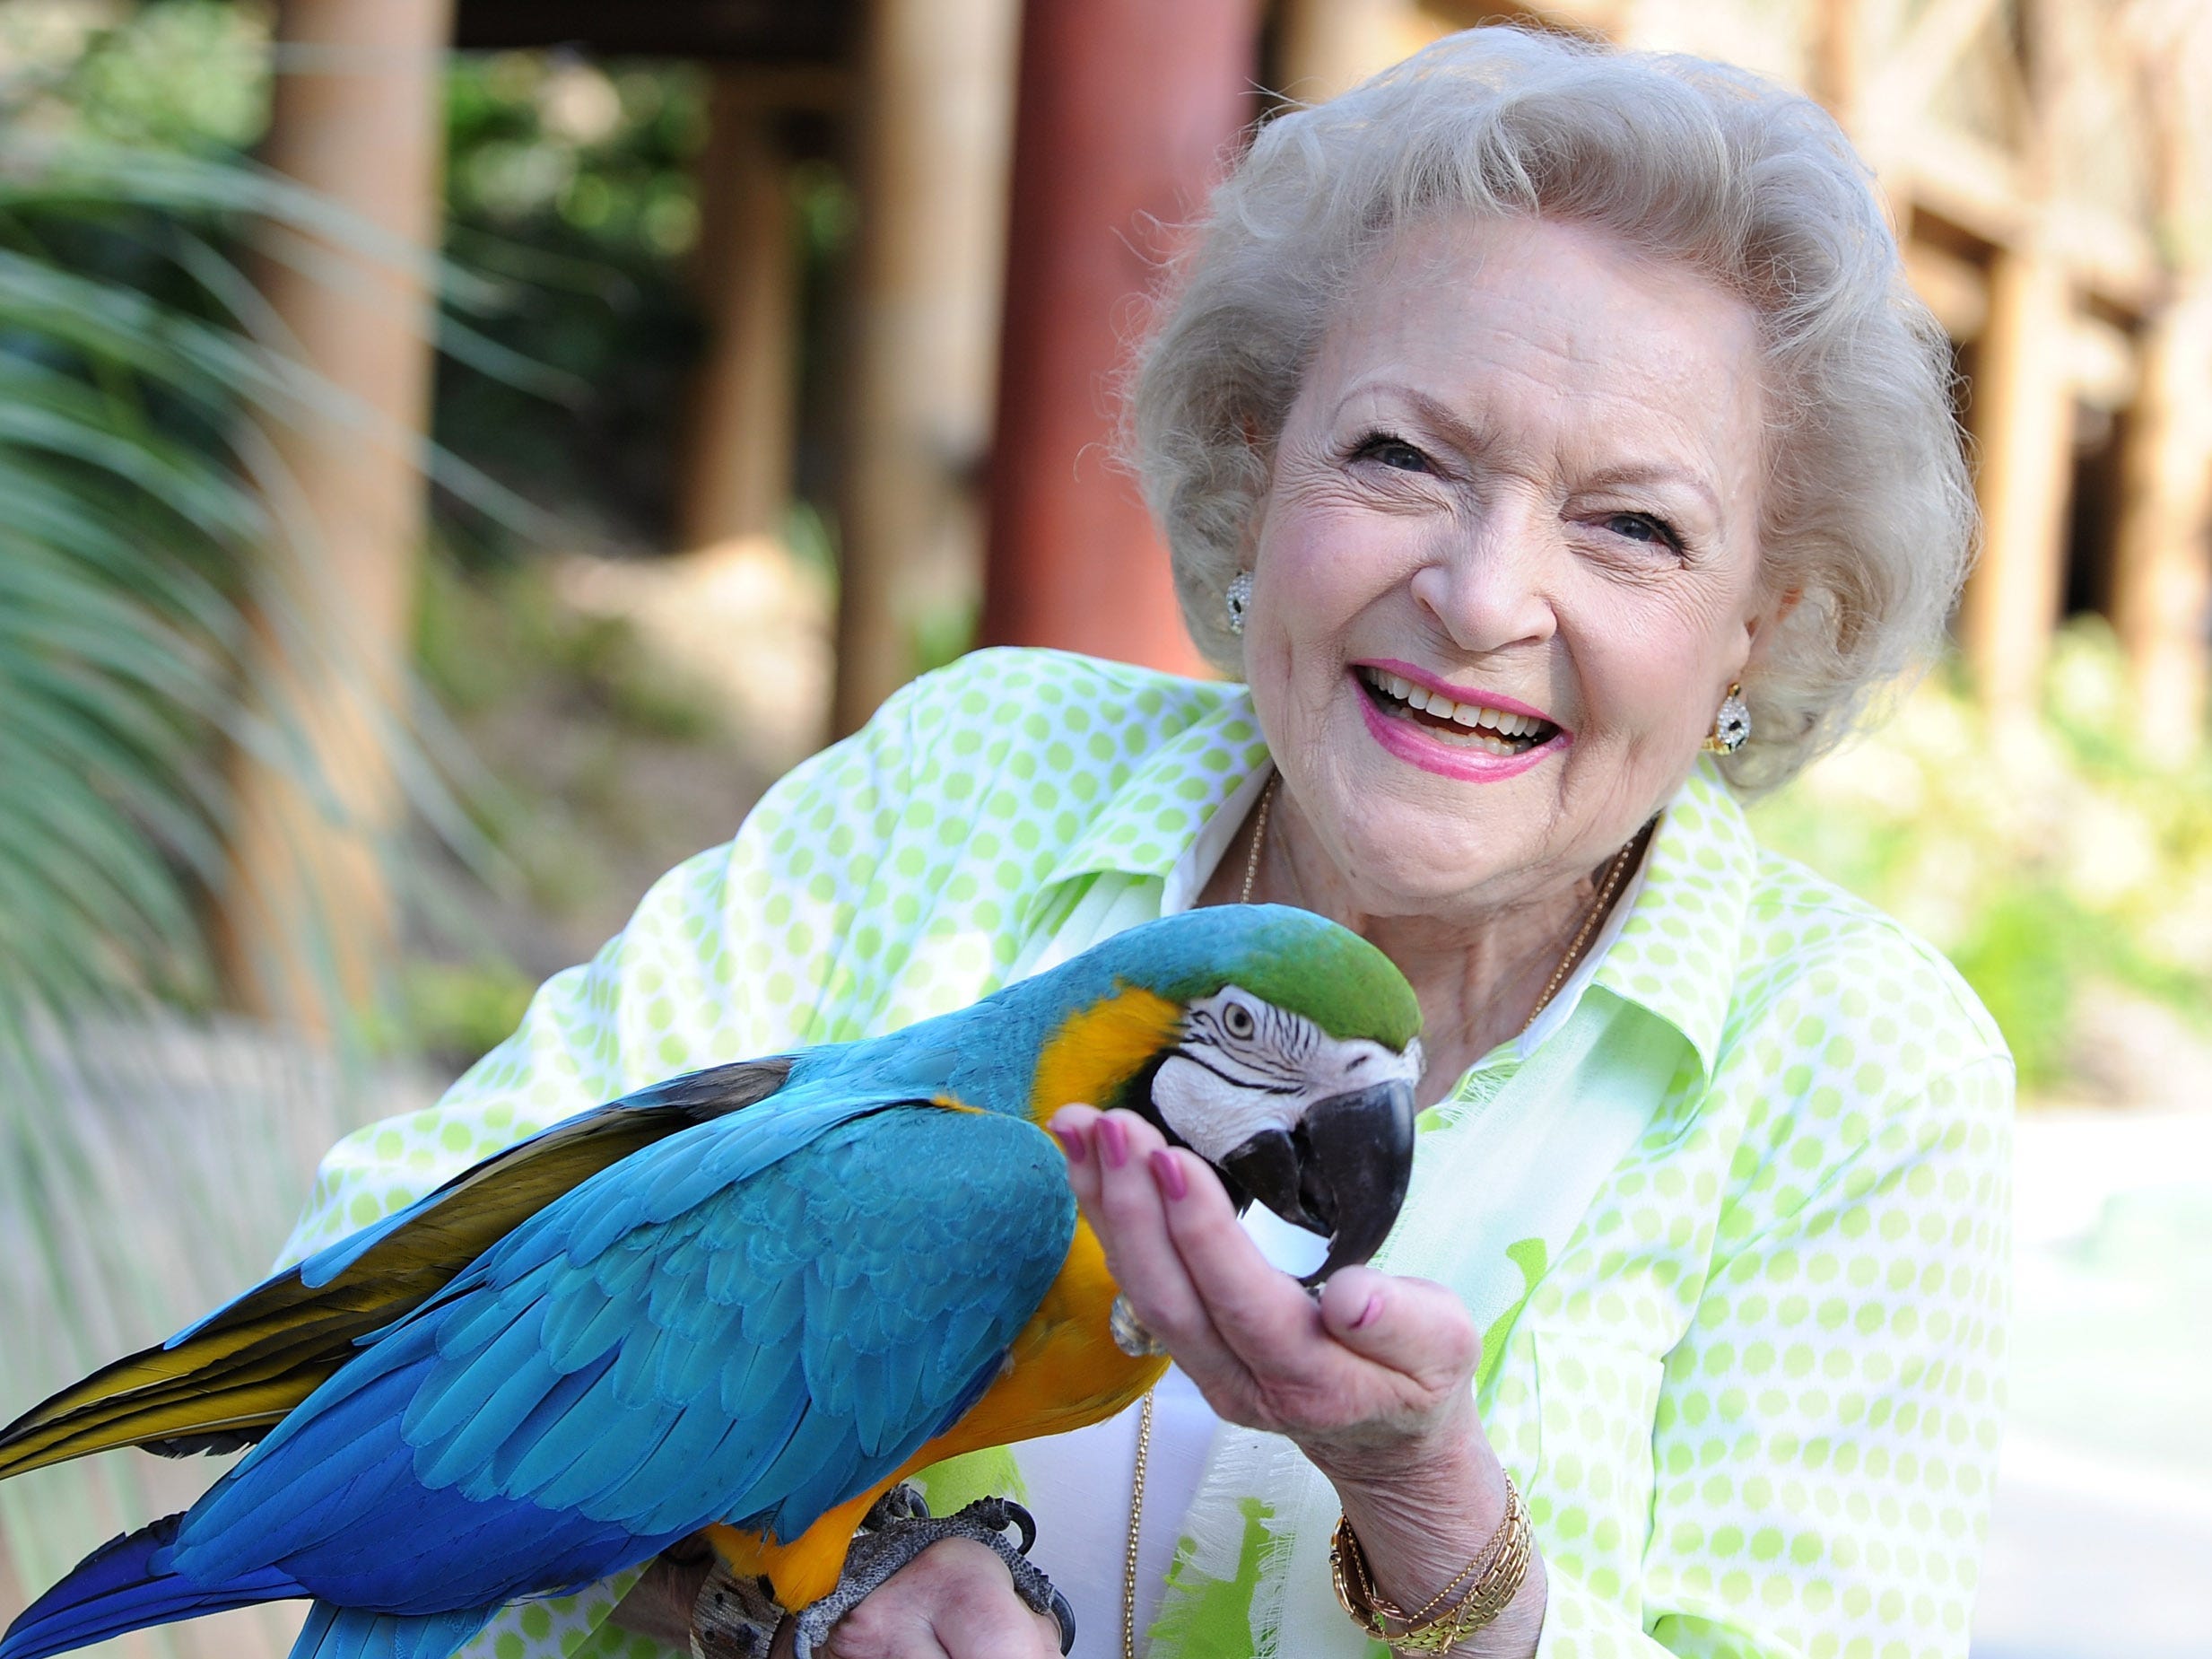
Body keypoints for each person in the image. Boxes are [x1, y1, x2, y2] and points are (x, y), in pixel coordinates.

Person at [277, 26, 2011, 1659]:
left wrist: (1431, 1515)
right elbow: (386, 1271)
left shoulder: (1852, 1068)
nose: (1481, 596)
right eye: (1400, 457)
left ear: (1762, 629)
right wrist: (822, 1567)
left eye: (1631, 525)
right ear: (1257, 470)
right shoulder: (978, 779)